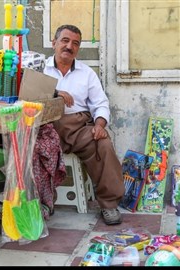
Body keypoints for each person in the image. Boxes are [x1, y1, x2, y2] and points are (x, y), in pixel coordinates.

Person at [45, 24, 125, 225]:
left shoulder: (86, 73)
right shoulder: (40, 68)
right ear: (54, 43)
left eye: (75, 43)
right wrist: (55, 94)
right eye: (65, 41)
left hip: (78, 127)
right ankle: (40, 202)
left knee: (103, 143)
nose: (69, 46)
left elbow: (100, 103)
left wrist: (99, 124)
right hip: (47, 128)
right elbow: (26, 95)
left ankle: (109, 204)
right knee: (28, 146)